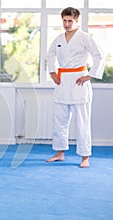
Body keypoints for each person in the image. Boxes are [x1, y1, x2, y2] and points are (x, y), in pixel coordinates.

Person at [45, 7, 106, 168]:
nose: (66, 24)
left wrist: (90, 75)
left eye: (70, 21)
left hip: (79, 81)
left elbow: (99, 56)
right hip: (62, 80)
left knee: (82, 121)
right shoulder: (58, 39)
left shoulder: (84, 38)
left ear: (76, 21)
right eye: (64, 20)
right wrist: (52, 72)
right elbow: (50, 55)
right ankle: (60, 152)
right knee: (59, 120)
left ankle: (85, 156)